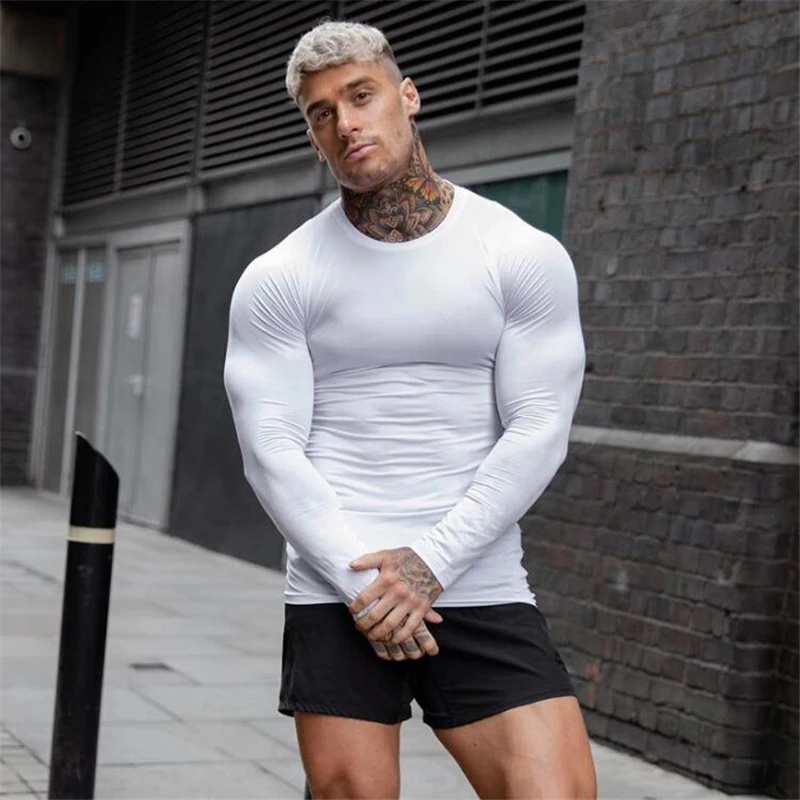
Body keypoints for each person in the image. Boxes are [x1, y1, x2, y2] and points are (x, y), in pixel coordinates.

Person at [224, 19, 597, 800]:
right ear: (313, 138)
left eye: (361, 96)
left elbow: (538, 429)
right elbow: (271, 450)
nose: (346, 122)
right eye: (322, 113)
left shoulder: (517, 253)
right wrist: (366, 587)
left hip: (475, 574)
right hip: (339, 583)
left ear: (408, 96)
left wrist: (430, 567)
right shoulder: (280, 275)